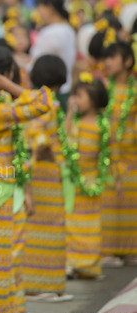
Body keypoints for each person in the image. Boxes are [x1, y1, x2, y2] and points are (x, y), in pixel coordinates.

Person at [0, 45, 55, 313]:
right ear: (4, 74)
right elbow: (45, 103)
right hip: (0, 191)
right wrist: (9, 84)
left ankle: (4, 311)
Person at [23, 55, 72, 302]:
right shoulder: (49, 102)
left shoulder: (32, 98)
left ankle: (35, 284)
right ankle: (41, 286)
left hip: (36, 172)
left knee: (35, 228)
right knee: (49, 227)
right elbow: (37, 132)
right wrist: (47, 152)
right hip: (45, 173)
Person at [64, 73, 109, 280]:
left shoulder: (102, 126)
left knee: (91, 226)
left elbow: (107, 154)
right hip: (75, 182)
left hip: (93, 181)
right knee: (72, 225)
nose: (75, 100)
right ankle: (73, 263)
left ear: (93, 98)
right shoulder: (76, 123)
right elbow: (64, 139)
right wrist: (69, 114)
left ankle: (90, 265)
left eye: (79, 96)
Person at [100, 42, 137, 266]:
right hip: (108, 154)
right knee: (109, 202)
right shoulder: (102, 88)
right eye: (106, 58)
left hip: (132, 154)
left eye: (112, 58)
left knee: (132, 203)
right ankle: (109, 251)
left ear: (127, 61)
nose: (107, 62)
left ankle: (132, 250)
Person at [30, 0, 76, 109]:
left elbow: (39, 64)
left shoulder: (51, 32)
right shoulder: (67, 28)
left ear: (50, 7)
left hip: (49, 93)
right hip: (64, 89)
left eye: (39, 8)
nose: (38, 13)